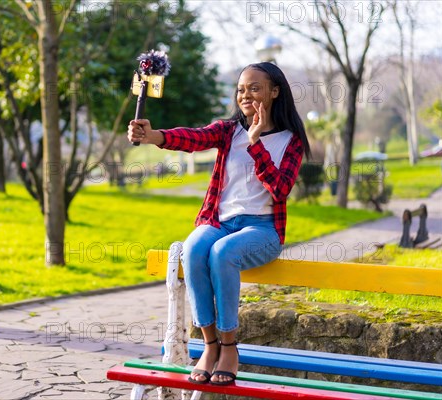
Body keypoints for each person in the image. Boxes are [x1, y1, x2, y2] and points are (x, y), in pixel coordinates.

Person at [127, 62, 311, 386]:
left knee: (223, 253)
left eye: (255, 88)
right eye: (241, 89)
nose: (246, 94)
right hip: (221, 220)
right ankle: (209, 345)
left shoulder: (291, 139)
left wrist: (256, 143)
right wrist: (154, 135)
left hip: (262, 229)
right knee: (195, 247)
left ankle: (229, 347)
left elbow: (280, 190)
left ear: (275, 91)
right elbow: (194, 138)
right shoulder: (229, 131)